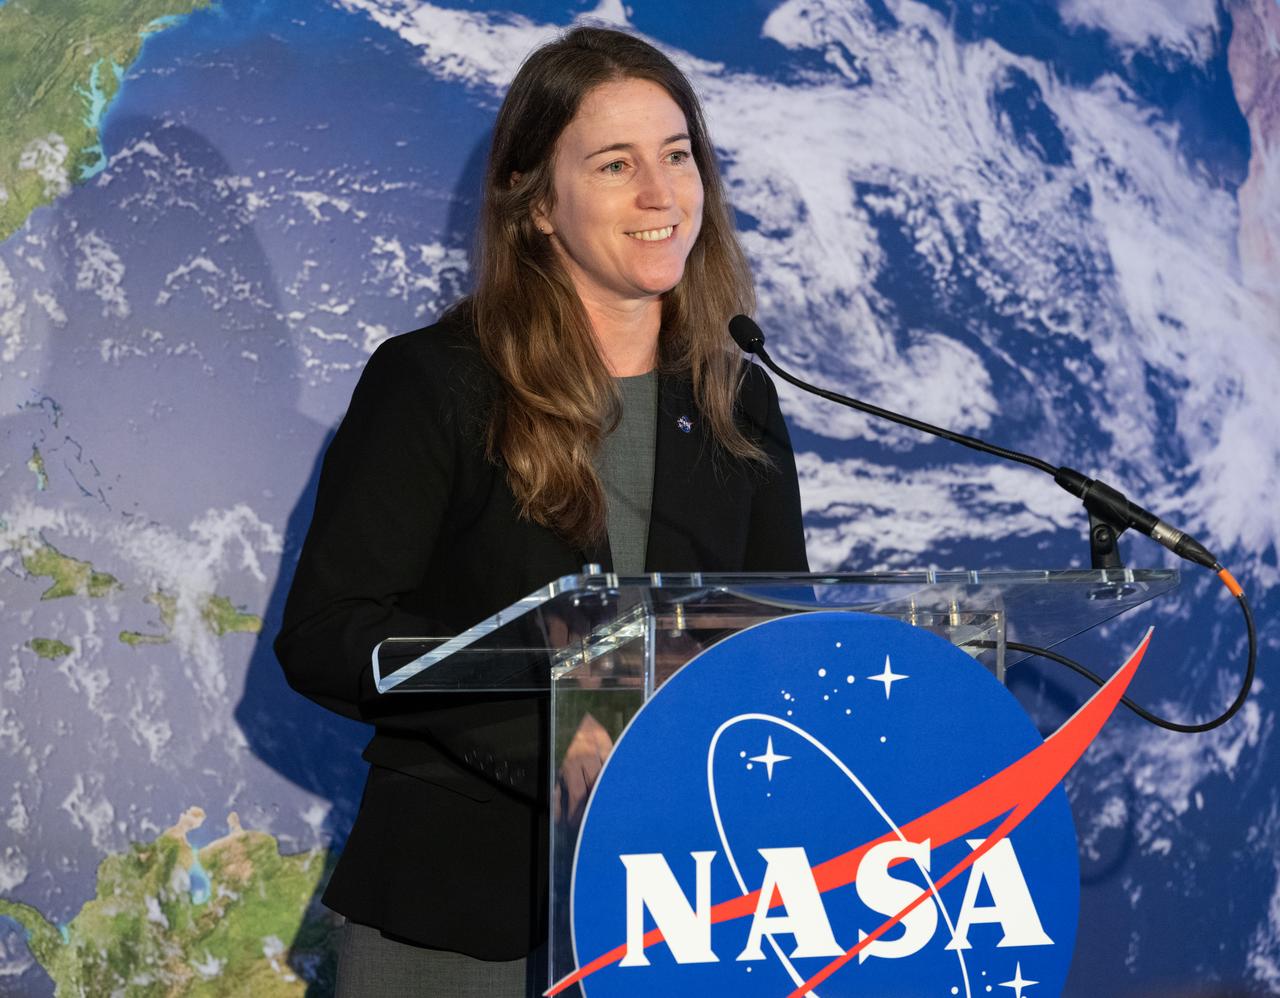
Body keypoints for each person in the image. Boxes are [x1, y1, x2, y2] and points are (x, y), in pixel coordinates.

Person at [274, 24, 808, 998]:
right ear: (536, 203)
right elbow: (326, 635)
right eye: (615, 163)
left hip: (680, 899)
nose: (660, 194)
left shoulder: (739, 398)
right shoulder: (438, 384)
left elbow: (778, 638)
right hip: (460, 903)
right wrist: (561, 716)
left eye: (676, 155)